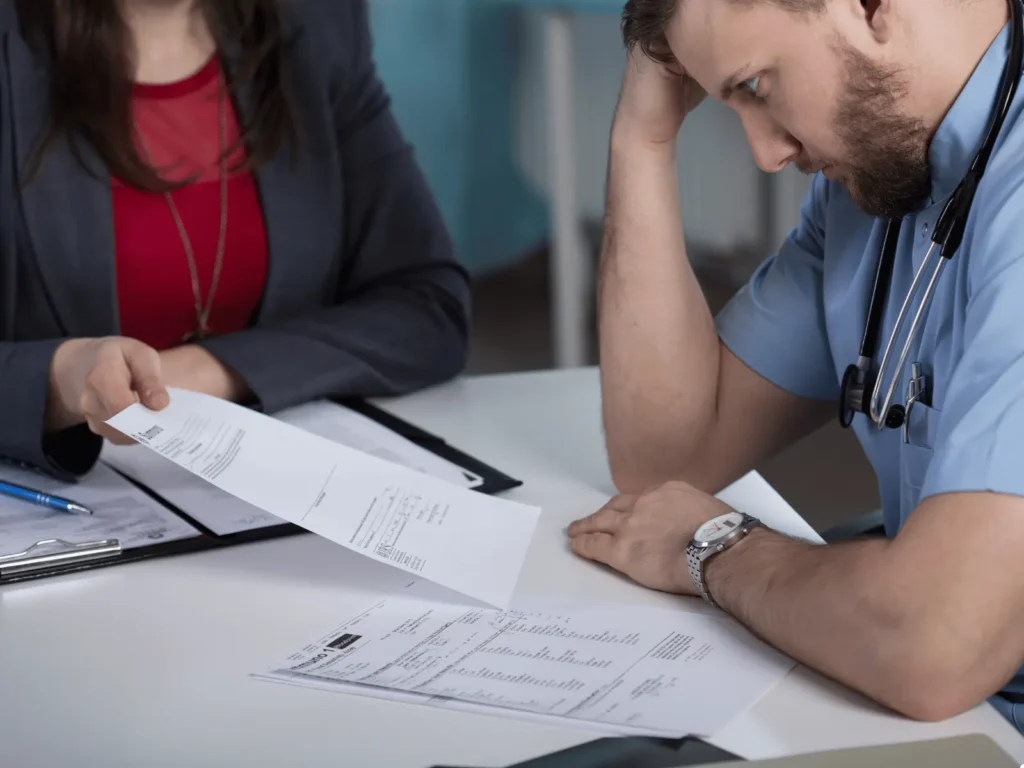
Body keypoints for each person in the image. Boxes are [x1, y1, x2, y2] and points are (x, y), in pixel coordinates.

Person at [566, 0, 1024, 731]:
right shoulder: (880, 176)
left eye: (756, 86)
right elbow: (665, 461)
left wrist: (714, 547)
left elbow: (937, 643)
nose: (766, 153)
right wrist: (643, 138)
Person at [0, 0, 470, 480]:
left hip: (266, 484)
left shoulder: (318, 19)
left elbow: (429, 307)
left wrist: (210, 371)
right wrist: (59, 381)